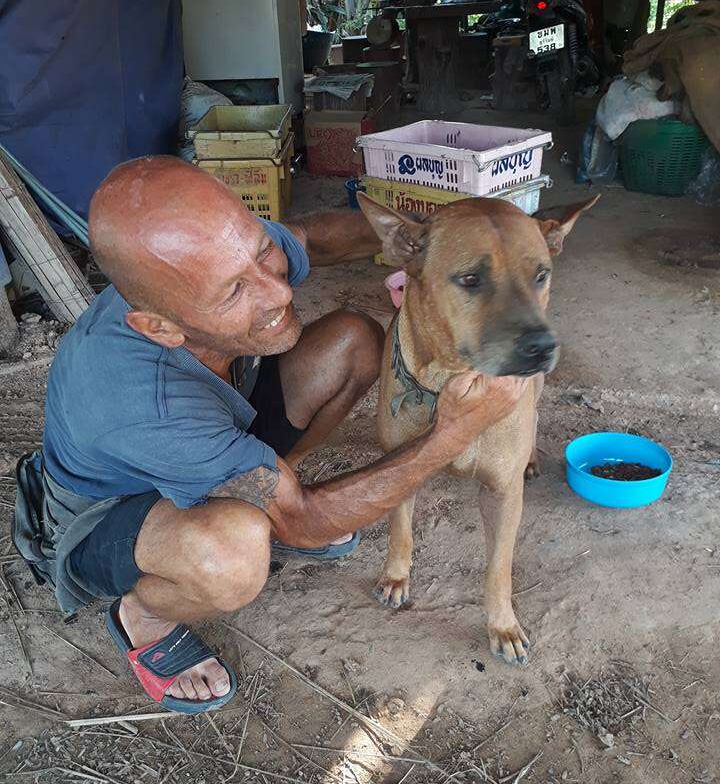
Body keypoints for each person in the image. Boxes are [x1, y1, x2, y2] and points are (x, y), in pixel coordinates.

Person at [13, 156, 527, 713]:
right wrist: (454, 433)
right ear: (161, 327)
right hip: (110, 512)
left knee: (354, 342)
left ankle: (269, 491)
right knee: (233, 554)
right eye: (235, 292)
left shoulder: (209, 258)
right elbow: (306, 519)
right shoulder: (141, 402)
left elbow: (312, 239)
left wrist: (427, 238)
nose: (278, 293)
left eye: (261, 253)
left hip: (210, 438)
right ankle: (145, 615)